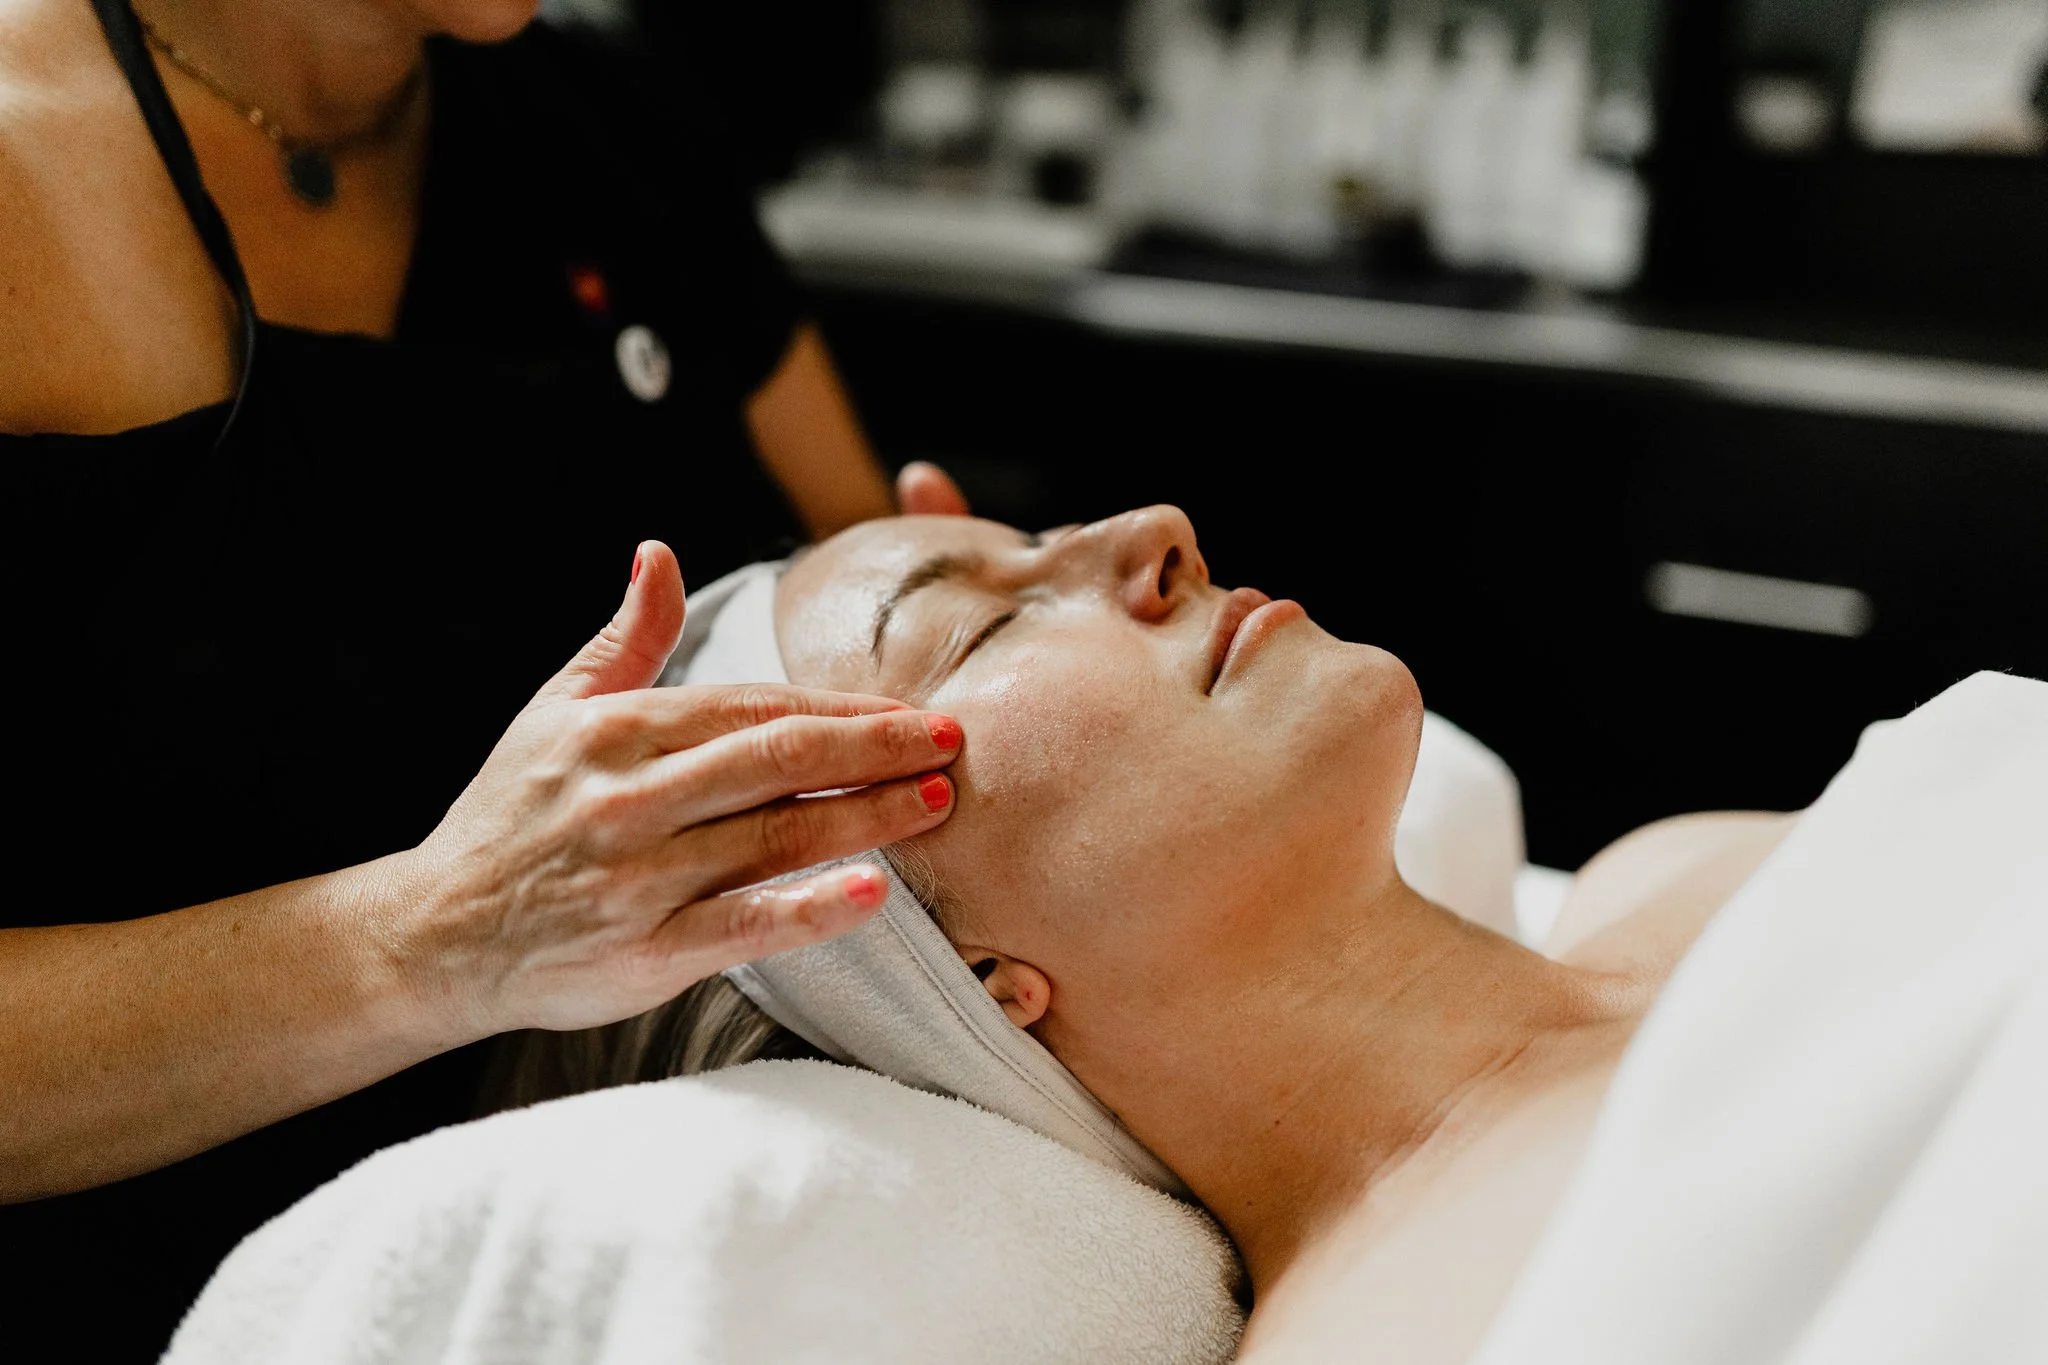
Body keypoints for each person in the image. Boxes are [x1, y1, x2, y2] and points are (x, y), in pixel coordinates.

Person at [0, 0, 968, 1352]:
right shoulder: (19, 181)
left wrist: (976, 616)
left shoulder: (609, 130)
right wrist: (432, 940)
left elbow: (872, 571)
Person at [501, 504, 1803, 1361]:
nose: (1158, 529)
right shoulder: (1408, 1330)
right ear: (969, 981)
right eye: (991, 620)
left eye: (1034, 544)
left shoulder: (1682, 865)